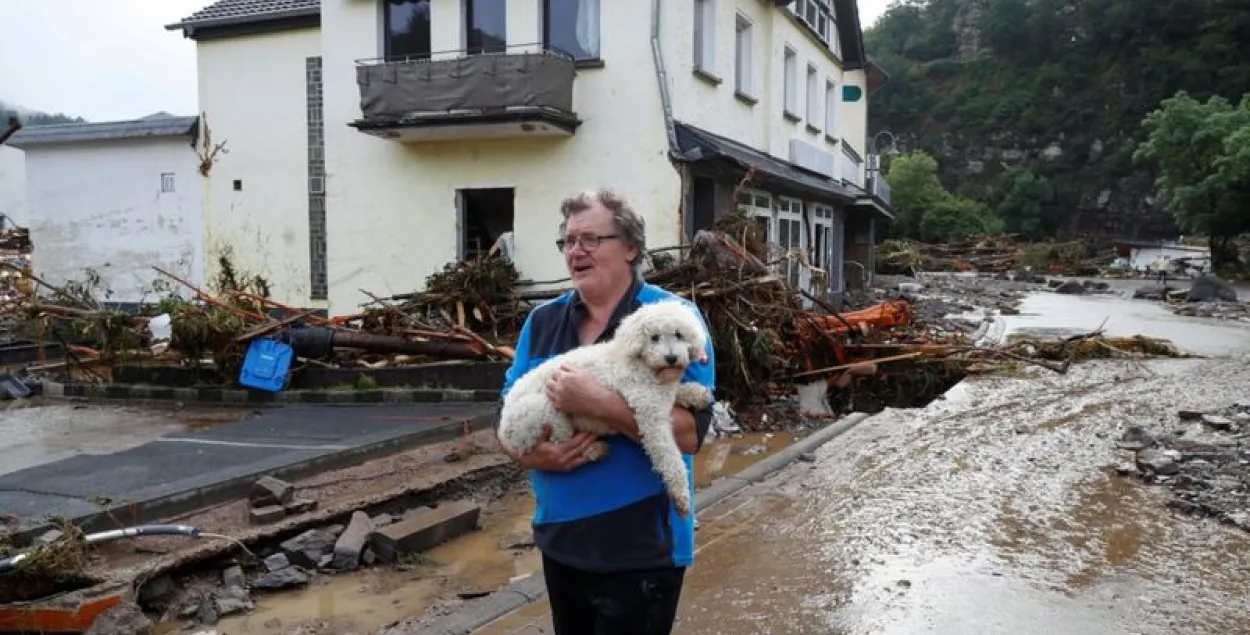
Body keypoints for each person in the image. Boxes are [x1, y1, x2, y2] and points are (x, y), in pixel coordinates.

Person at [497, 188, 716, 635]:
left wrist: (598, 404)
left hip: (641, 548)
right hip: (561, 539)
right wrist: (530, 455)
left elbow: (690, 434)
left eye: (591, 239)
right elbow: (502, 419)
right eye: (569, 241)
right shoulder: (541, 323)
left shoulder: (671, 322)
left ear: (631, 247)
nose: (576, 251)